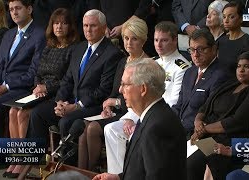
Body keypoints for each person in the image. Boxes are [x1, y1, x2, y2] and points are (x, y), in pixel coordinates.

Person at [27, 9, 123, 151]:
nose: (88, 30)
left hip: (91, 106)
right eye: (85, 25)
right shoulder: (79, 48)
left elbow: (103, 90)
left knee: (66, 122)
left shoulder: (112, 54)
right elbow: (67, 79)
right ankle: (32, 159)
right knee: (37, 113)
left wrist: (76, 106)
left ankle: (66, 168)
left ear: (104, 28)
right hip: (70, 101)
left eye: (93, 26)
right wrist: (59, 101)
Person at [103, 21, 191, 174]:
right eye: (156, 40)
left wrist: (138, 121)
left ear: (175, 40)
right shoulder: (152, 62)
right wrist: (130, 118)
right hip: (144, 114)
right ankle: (117, 173)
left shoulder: (181, 66)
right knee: (111, 129)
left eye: (164, 40)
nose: (159, 44)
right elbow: (140, 99)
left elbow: (170, 103)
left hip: (158, 116)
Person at [2, 8, 79, 178]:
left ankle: (25, 160)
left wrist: (47, 88)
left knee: (23, 115)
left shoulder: (74, 49)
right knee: (12, 111)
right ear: (51, 25)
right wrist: (38, 85)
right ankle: (15, 157)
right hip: (39, 91)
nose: (59, 27)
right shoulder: (49, 46)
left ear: (70, 26)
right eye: (56, 23)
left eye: (64, 23)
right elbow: (37, 72)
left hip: (57, 94)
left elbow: (68, 79)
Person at [93, 59, 186, 180]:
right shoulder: (151, 116)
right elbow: (143, 169)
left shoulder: (157, 127)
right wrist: (118, 177)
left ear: (143, 89)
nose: (120, 90)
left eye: (125, 84)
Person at [0, 0, 46, 168]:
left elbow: (33, 73)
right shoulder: (9, 34)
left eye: (18, 8)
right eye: (11, 10)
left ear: (29, 9)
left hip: (22, 88)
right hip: (0, 85)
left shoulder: (39, 34)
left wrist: (6, 86)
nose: (14, 13)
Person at [77, 17, 149, 171]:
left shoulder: (147, 65)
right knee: (83, 129)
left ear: (143, 40)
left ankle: (92, 171)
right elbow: (113, 92)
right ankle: (83, 173)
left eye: (134, 39)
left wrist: (115, 103)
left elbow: (142, 100)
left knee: (93, 128)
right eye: (126, 38)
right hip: (116, 112)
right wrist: (106, 107)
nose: (129, 43)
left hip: (132, 114)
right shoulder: (122, 61)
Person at [186, 51, 249, 180]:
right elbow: (205, 105)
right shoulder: (231, 84)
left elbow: (236, 122)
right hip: (205, 134)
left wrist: (203, 129)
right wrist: (198, 121)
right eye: (239, 66)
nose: (241, 70)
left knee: (191, 164)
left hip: (225, 139)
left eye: (247, 67)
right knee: (176, 155)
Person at [172, 28, 229, 136]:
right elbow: (180, 105)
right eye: (192, 50)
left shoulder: (221, 75)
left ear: (213, 49)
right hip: (179, 130)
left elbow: (212, 114)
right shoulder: (189, 72)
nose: (195, 54)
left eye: (201, 49)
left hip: (198, 134)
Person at [217, 1, 249, 75]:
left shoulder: (247, 41)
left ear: (241, 18)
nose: (226, 21)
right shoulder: (221, 40)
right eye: (224, 17)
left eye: (231, 17)